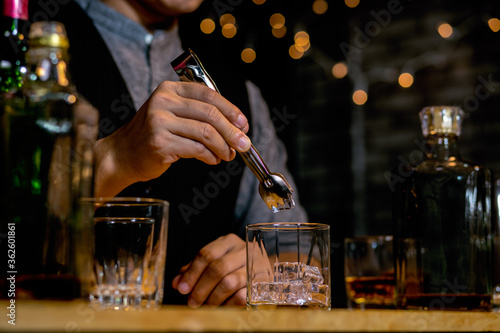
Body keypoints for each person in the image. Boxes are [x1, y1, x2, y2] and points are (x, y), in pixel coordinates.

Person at [30, 0, 308, 307]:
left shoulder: (241, 94)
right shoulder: (23, 59)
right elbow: (13, 240)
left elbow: (302, 264)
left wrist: (264, 275)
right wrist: (115, 159)